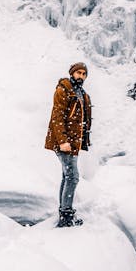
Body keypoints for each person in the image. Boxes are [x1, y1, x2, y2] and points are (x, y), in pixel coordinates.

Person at [45, 62, 92, 227]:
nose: (81, 76)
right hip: (64, 142)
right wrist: (63, 141)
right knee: (72, 177)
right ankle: (66, 217)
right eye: (78, 73)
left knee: (67, 177)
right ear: (72, 73)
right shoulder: (63, 90)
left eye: (84, 74)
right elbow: (57, 117)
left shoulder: (81, 93)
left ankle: (64, 212)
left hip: (73, 143)